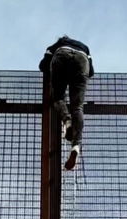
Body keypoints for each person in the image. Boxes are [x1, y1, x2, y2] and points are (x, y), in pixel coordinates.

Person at [38, 36, 94, 171]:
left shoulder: (57, 45)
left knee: (58, 98)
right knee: (78, 107)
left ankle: (67, 120)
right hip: (83, 59)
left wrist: (60, 76)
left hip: (61, 55)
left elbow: (43, 65)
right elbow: (91, 72)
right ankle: (76, 146)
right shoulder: (85, 47)